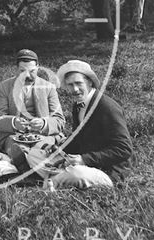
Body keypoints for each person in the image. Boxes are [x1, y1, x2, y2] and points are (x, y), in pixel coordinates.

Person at [34, 59, 133, 189]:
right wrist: (60, 148)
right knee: (36, 153)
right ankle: (56, 176)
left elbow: (124, 149)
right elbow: (78, 137)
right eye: (70, 85)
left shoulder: (106, 107)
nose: (75, 89)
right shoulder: (78, 105)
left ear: (90, 82)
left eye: (78, 83)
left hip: (109, 170)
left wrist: (84, 159)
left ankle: (52, 181)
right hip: (87, 163)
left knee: (77, 173)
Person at [0, 49, 65, 162]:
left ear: (38, 68)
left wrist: (44, 123)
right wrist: (14, 122)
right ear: (16, 69)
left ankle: (31, 157)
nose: (27, 76)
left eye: (32, 71)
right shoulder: (4, 87)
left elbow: (59, 120)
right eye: (22, 71)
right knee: (14, 146)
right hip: (14, 135)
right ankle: (25, 157)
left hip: (42, 135)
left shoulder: (49, 87)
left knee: (42, 146)